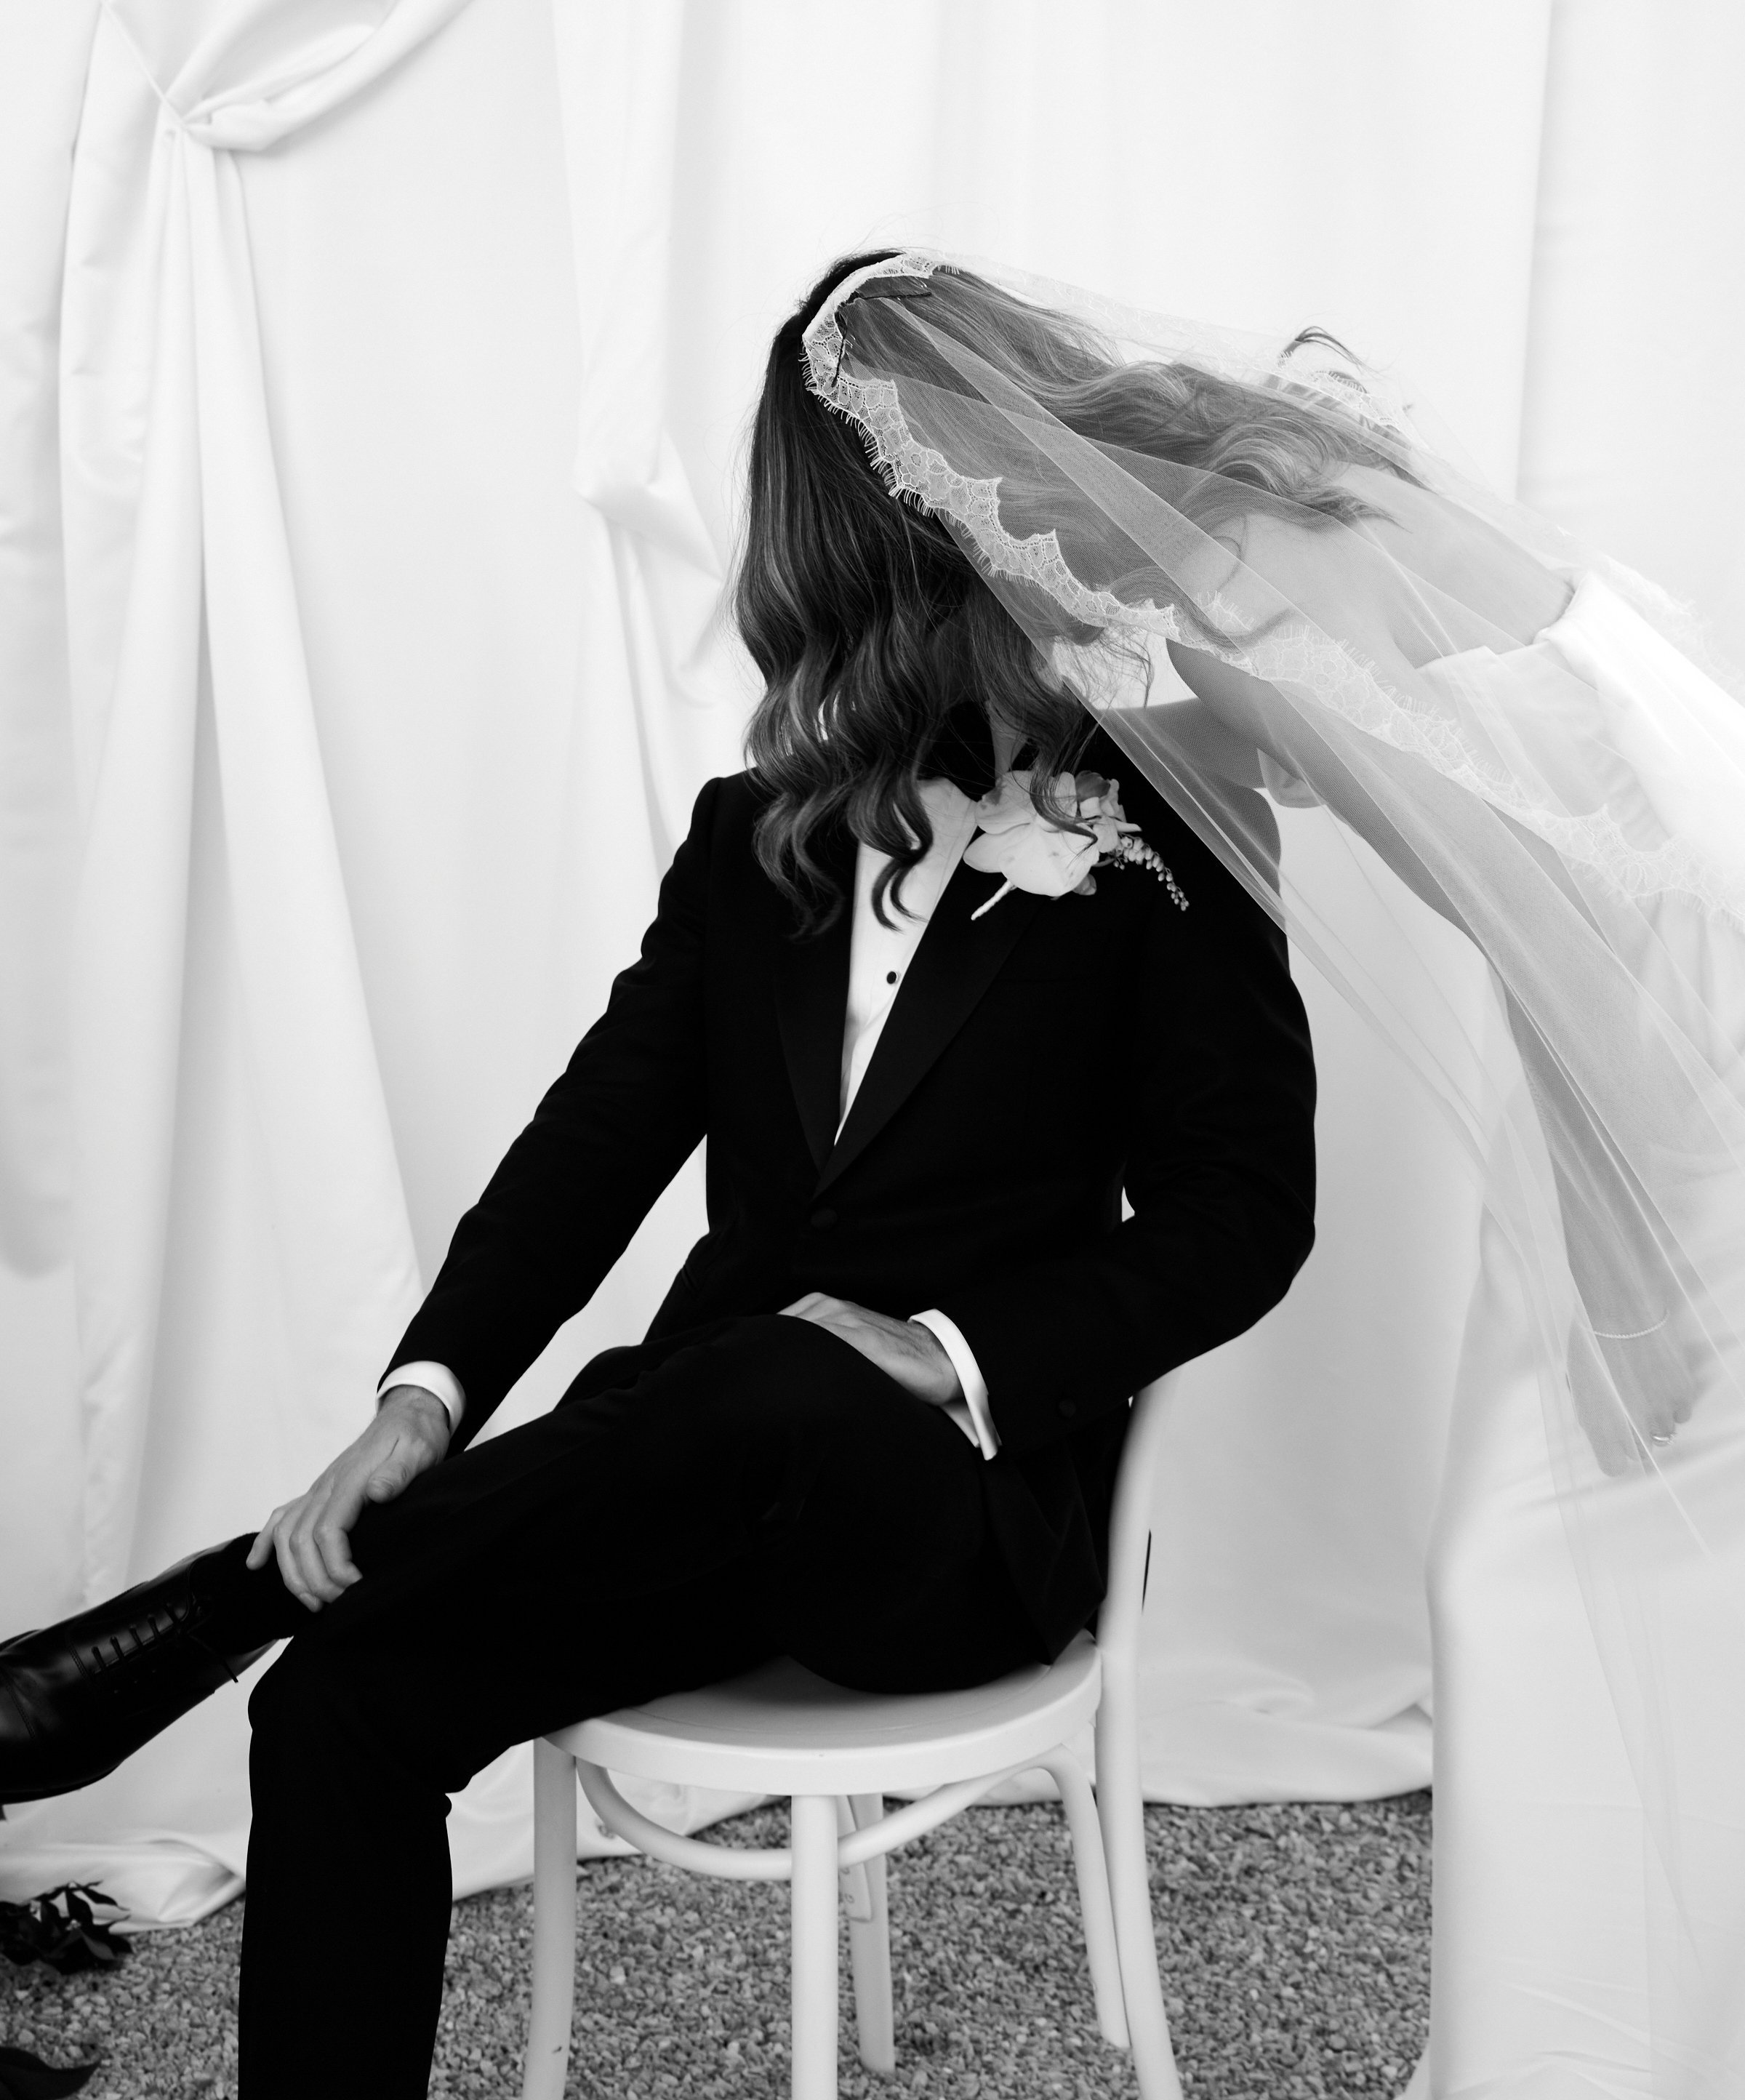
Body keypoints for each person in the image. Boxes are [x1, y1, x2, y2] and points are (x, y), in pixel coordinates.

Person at [0, 252, 1319, 2099]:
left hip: (955, 1526)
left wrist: (945, 1346)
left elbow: (1245, 1215)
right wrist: (423, 1399)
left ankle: (218, 1598)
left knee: (795, 1361)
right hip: (694, 1485)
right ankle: (277, 1631)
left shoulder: (1167, 828)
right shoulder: (756, 839)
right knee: (338, 1711)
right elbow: (590, 1150)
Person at [785, 254, 1745, 2093]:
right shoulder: (1268, 476)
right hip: (1683, 973)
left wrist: (1631, 1269)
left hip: (1675, 1058)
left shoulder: (1220, 597)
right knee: (1623, 1585)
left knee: (1532, 1575)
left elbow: (1534, 911)